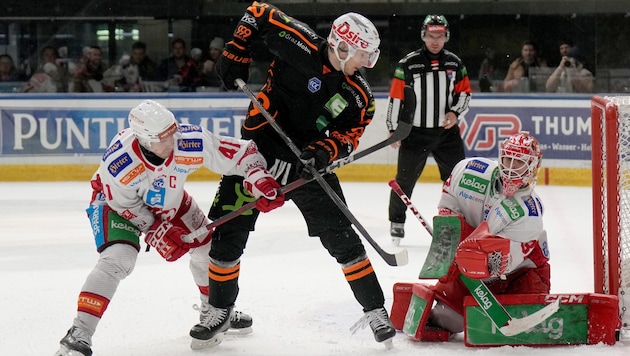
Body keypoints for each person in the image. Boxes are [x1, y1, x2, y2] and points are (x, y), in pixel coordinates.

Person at [191, 2, 396, 349]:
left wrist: (324, 150)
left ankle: (375, 310)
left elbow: (348, 136)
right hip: (258, 150)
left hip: (307, 165)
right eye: (363, 55)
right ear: (342, 47)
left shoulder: (358, 95)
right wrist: (236, 52)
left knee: (341, 237)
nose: (367, 64)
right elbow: (257, 12)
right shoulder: (297, 40)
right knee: (227, 227)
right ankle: (220, 309)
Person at [53, 99, 285, 356]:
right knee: (118, 259)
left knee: (207, 249)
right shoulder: (120, 161)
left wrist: (258, 178)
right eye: (163, 138)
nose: (172, 141)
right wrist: (155, 230)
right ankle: (79, 334)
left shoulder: (188, 140)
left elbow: (242, 153)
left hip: (167, 199)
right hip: (114, 204)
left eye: (172, 132)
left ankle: (215, 309)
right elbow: (124, 204)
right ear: (144, 139)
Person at [401, 132, 549, 339]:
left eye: (519, 163)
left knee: (528, 321)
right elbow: (449, 203)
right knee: (449, 319)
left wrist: (470, 260)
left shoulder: (529, 211)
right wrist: (449, 241)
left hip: (521, 272)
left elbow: (503, 264)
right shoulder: (470, 171)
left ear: (533, 166)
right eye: (507, 160)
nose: (510, 168)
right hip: (468, 264)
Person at [385, 14, 471, 243]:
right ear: (424, 36)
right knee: (404, 181)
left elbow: (464, 93)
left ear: (446, 37)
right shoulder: (408, 64)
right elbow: (396, 97)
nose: (435, 40)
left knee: (457, 182)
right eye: (431, 36)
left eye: (440, 36)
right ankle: (396, 223)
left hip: (447, 134)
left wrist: (455, 112)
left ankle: (459, 223)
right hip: (415, 134)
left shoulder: (455, 63)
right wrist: (394, 128)